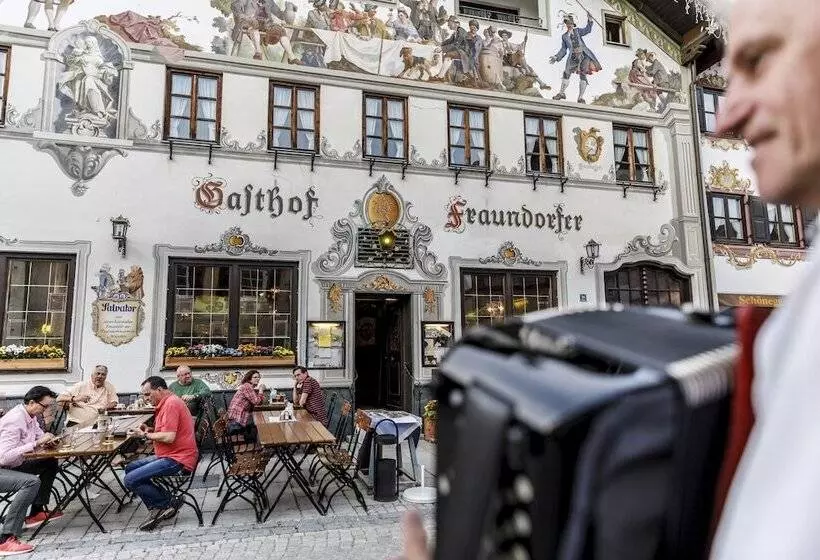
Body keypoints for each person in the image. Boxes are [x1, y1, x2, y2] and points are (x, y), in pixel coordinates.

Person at [125, 376, 198, 532]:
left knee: (130, 480)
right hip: (171, 454)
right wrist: (149, 430)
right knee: (130, 467)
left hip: (178, 459)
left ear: (159, 390)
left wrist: (144, 435)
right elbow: (165, 432)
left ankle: (161, 505)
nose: (145, 399)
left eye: (147, 394)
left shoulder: (171, 404)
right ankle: (168, 501)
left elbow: (169, 437)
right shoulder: (167, 402)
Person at [0, 386, 64, 544]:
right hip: (3, 467)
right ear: (31, 402)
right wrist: (36, 443)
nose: (47, 410)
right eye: (45, 406)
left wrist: (48, 441)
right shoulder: (15, 420)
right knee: (30, 482)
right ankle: (6, 537)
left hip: (15, 464)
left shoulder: (31, 416)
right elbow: (4, 457)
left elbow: (39, 436)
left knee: (49, 461)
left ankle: (36, 511)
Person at [549, 11, 602, 103]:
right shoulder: (565, 36)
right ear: (566, 24)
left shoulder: (578, 31)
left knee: (583, 74)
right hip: (573, 56)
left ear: (573, 24)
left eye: (570, 23)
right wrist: (556, 57)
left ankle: (580, 98)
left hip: (584, 55)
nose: (569, 25)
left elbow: (587, 30)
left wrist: (590, 20)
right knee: (566, 73)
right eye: (567, 23)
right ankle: (561, 93)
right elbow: (563, 49)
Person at [227, 370, 266, 442]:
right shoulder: (247, 386)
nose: (258, 379)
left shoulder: (248, 387)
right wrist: (261, 390)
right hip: (236, 421)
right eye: (255, 377)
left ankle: (262, 446)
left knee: (259, 423)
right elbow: (256, 402)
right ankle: (263, 446)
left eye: (259, 377)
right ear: (249, 379)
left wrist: (260, 395)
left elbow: (258, 402)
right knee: (261, 424)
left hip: (236, 419)